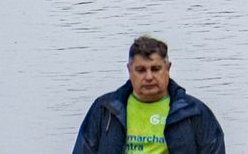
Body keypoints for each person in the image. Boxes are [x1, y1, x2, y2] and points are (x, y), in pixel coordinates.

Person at [72, 35, 226, 154]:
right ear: (129, 70)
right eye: (141, 70)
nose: (149, 77)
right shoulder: (105, 110)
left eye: (155, 69)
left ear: (168, 68)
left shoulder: (194, 112)